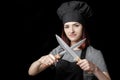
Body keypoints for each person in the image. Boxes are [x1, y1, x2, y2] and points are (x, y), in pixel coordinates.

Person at [28, 1, 111, 80]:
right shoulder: (59, 50)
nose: (71, 31)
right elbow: (31, 73)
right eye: (67, 26)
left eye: (76, 25)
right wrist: (40, 61)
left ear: (83, 27)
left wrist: (95, 69)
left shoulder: (94, 53)